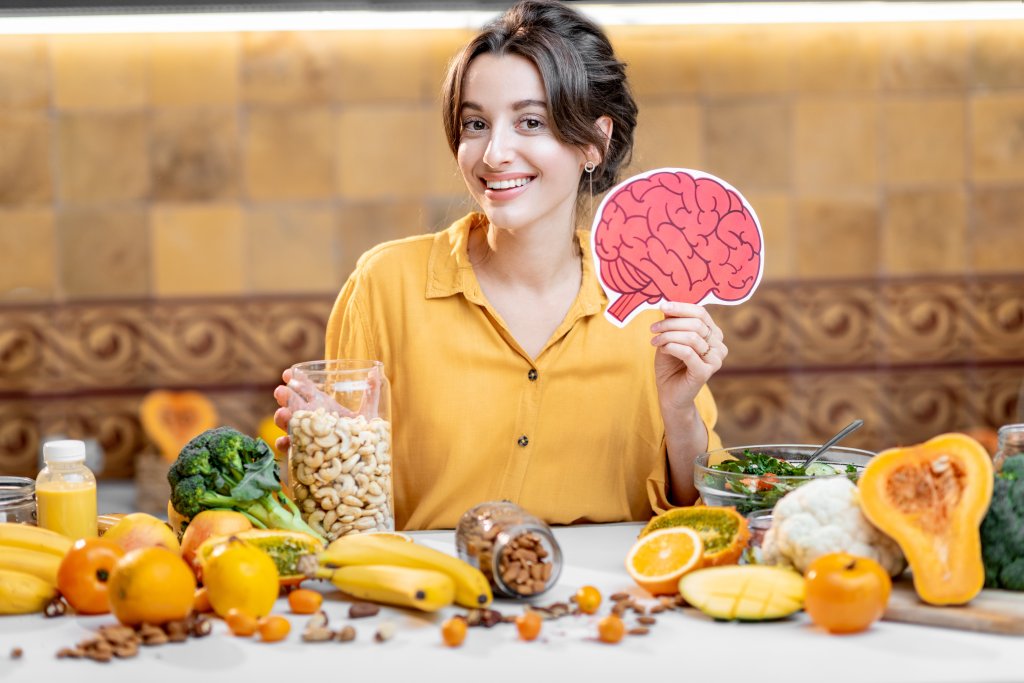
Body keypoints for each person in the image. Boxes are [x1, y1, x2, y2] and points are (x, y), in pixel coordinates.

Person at [274, 0, 727, 531]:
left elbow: (706, 520)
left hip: (613, 601)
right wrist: (328, 457)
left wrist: (679, 412)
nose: (494, 153)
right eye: (475, 123)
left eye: (530, 121)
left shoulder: (654, 298)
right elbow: (343, 512)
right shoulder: (385, 285)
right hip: (436, 600)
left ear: (595, 142)